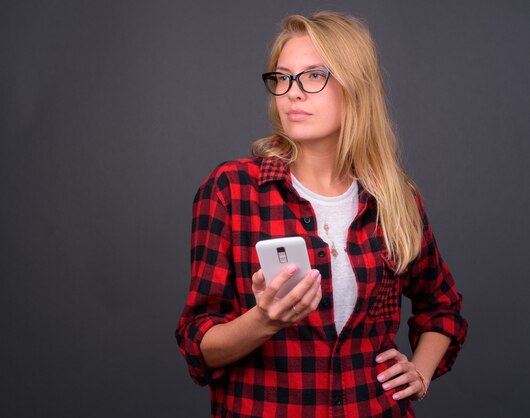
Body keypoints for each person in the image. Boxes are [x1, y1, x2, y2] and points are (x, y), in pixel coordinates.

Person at [175, 11, 467, 417]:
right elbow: (197, 342)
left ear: (355, 87)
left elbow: (441, 307)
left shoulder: (394, 200)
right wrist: (263, 320)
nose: (292, 92)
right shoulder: (232, 190)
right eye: (282, 78)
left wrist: (419, 371)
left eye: (313, 76)